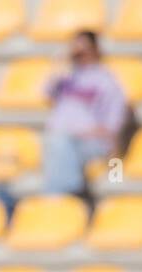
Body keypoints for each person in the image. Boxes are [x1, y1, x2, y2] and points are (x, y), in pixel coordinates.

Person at [42, 31, 128, 199]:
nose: (78, 56)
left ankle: (62, 197)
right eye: (75, 52)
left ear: (95, 50)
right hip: (64, 140)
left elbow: (112, 127)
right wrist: (58, 65)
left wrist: (80, 132)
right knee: (58, 142)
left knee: (59, 143)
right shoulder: (67, 77)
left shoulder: (107, 81)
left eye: (83, 51)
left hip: (93, 143)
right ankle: (68, 193)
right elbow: (46, 94)